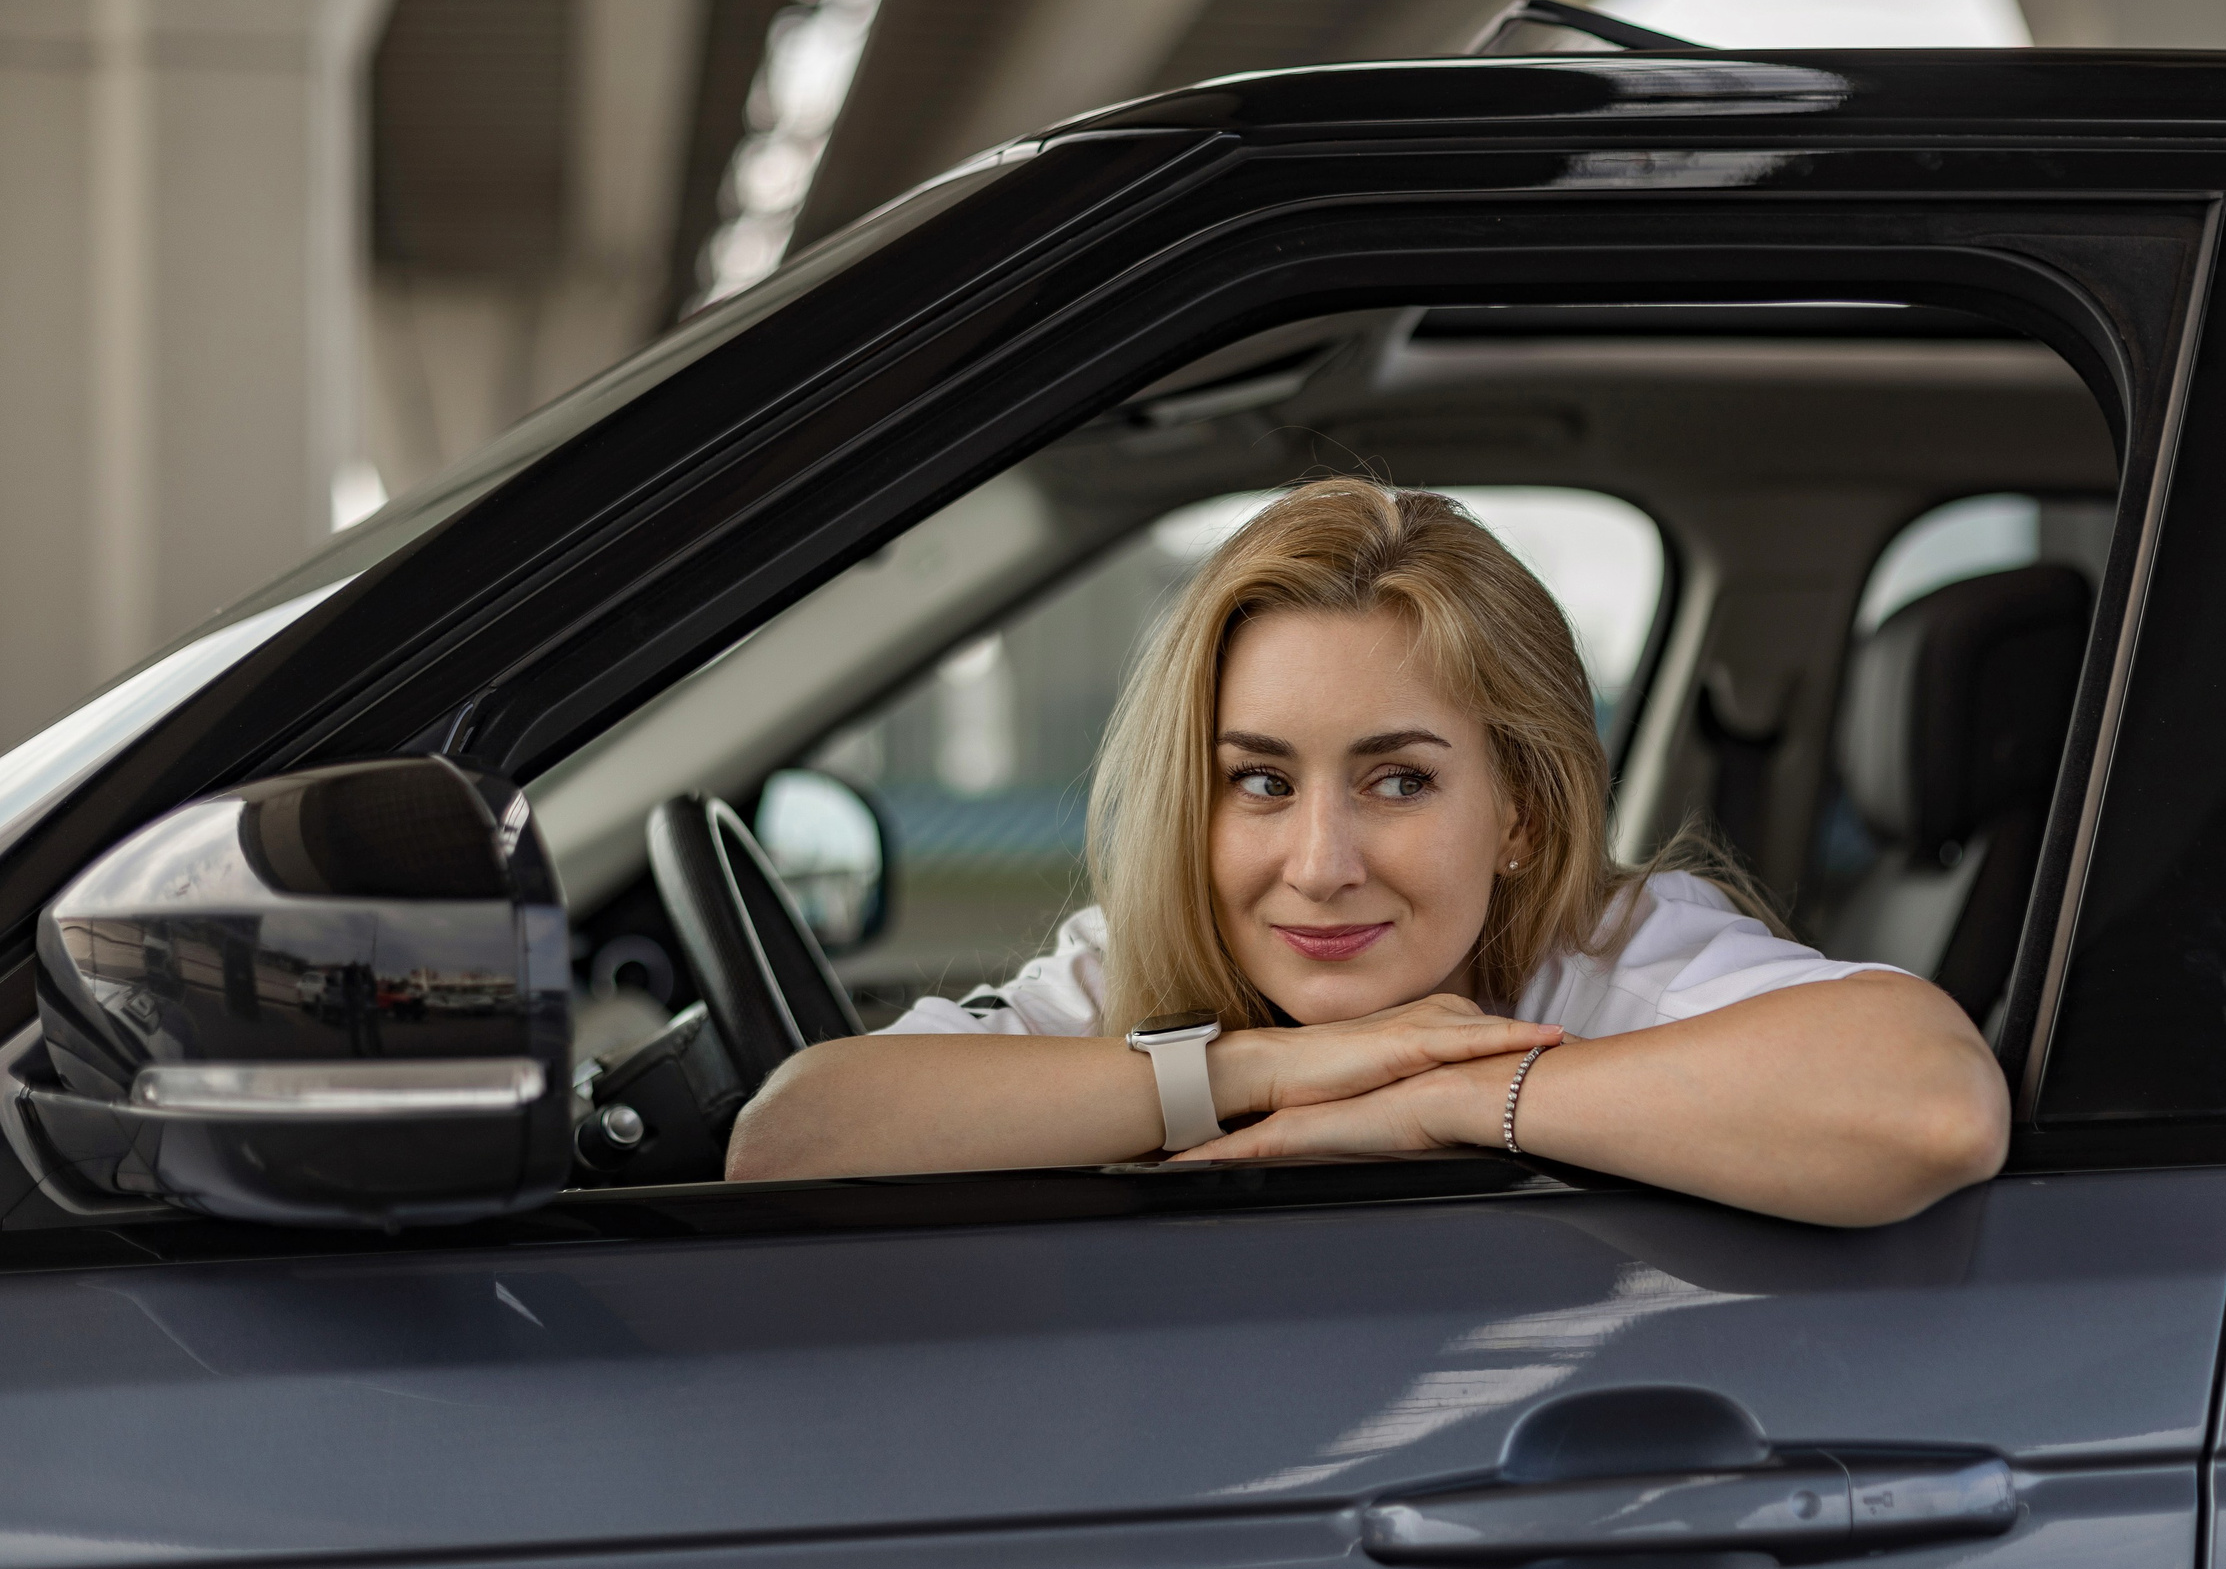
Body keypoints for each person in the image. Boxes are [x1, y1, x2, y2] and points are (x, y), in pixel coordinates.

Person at [727, 479, 2008, 1224]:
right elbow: (792, 1139)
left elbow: (1929, 1102)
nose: (1320, 859)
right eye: (1260, 780)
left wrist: (1441, 1096)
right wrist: (1260, 1071)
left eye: (1398, 779)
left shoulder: (1612, 957)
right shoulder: (1140, 969)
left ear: (1517, 810)